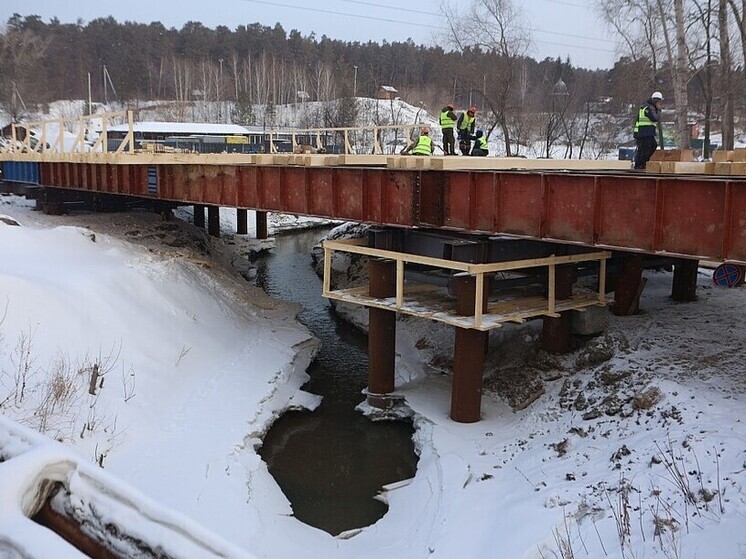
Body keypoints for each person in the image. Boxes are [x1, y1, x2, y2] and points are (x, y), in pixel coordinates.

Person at [633, 91, 663, 170]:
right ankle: (641, 164)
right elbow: (655, 118)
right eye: (659, 102)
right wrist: (659, 110)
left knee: (651, 146)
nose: (660, 104)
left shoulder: (647, 107)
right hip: (645, 132)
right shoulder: (649, 108)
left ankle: (642, 163)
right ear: (655, 101)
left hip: (646, 132)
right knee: (645, 149)